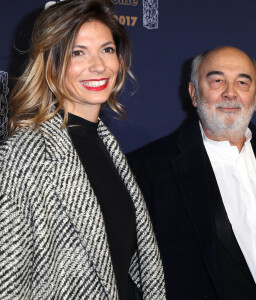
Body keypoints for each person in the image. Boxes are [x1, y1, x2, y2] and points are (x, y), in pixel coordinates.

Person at [0, 0, 166, 299]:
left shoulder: (106, 146)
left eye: (107, 49)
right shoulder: (22, 156)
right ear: (50, 63)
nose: (99, 65)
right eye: (78, 52)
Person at [127, 46, 256, 300]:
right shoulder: (148, 168)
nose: (230, 93)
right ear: (194, 93)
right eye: (217, 81)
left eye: (242, 82)